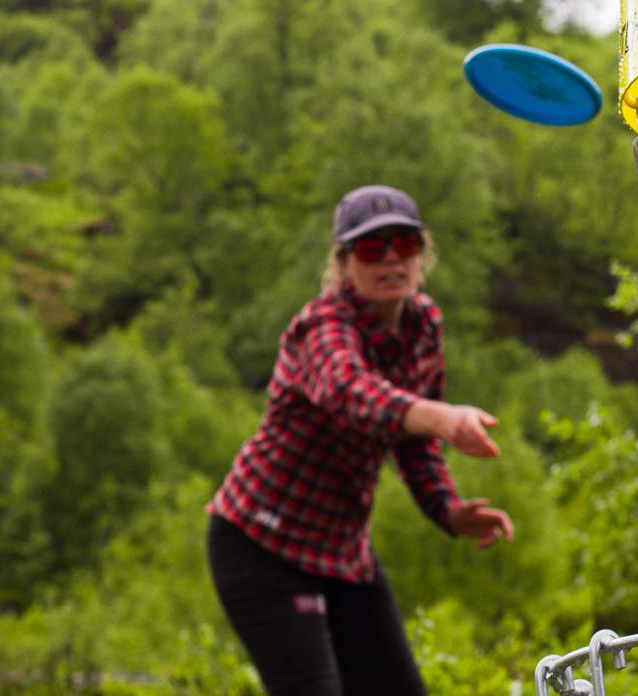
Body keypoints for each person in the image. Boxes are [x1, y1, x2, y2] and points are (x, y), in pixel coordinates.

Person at [207, 184, 514, 696]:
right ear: (345, 263)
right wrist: (440, 415)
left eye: (405, 244)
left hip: (342, 551)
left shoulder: (423, 323)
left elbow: (413, 444)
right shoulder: (321, 326)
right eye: (372, 249)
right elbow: (351, 393)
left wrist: (448, 509)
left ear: (423, 254)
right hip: (261, 544)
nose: (391, 259)